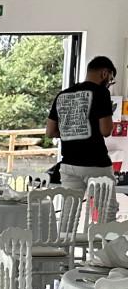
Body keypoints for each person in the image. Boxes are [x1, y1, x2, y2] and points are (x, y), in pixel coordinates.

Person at [47, 56, 117, 202]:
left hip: (69, 164)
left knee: (69, 213)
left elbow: (50, 132)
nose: (109, 83)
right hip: (96, 164)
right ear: (104, 73)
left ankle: (67, 226)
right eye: (110, 79)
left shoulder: (62, 95)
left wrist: (72, 130)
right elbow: (106, 131)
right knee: (105, 213)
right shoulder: (101, 92)